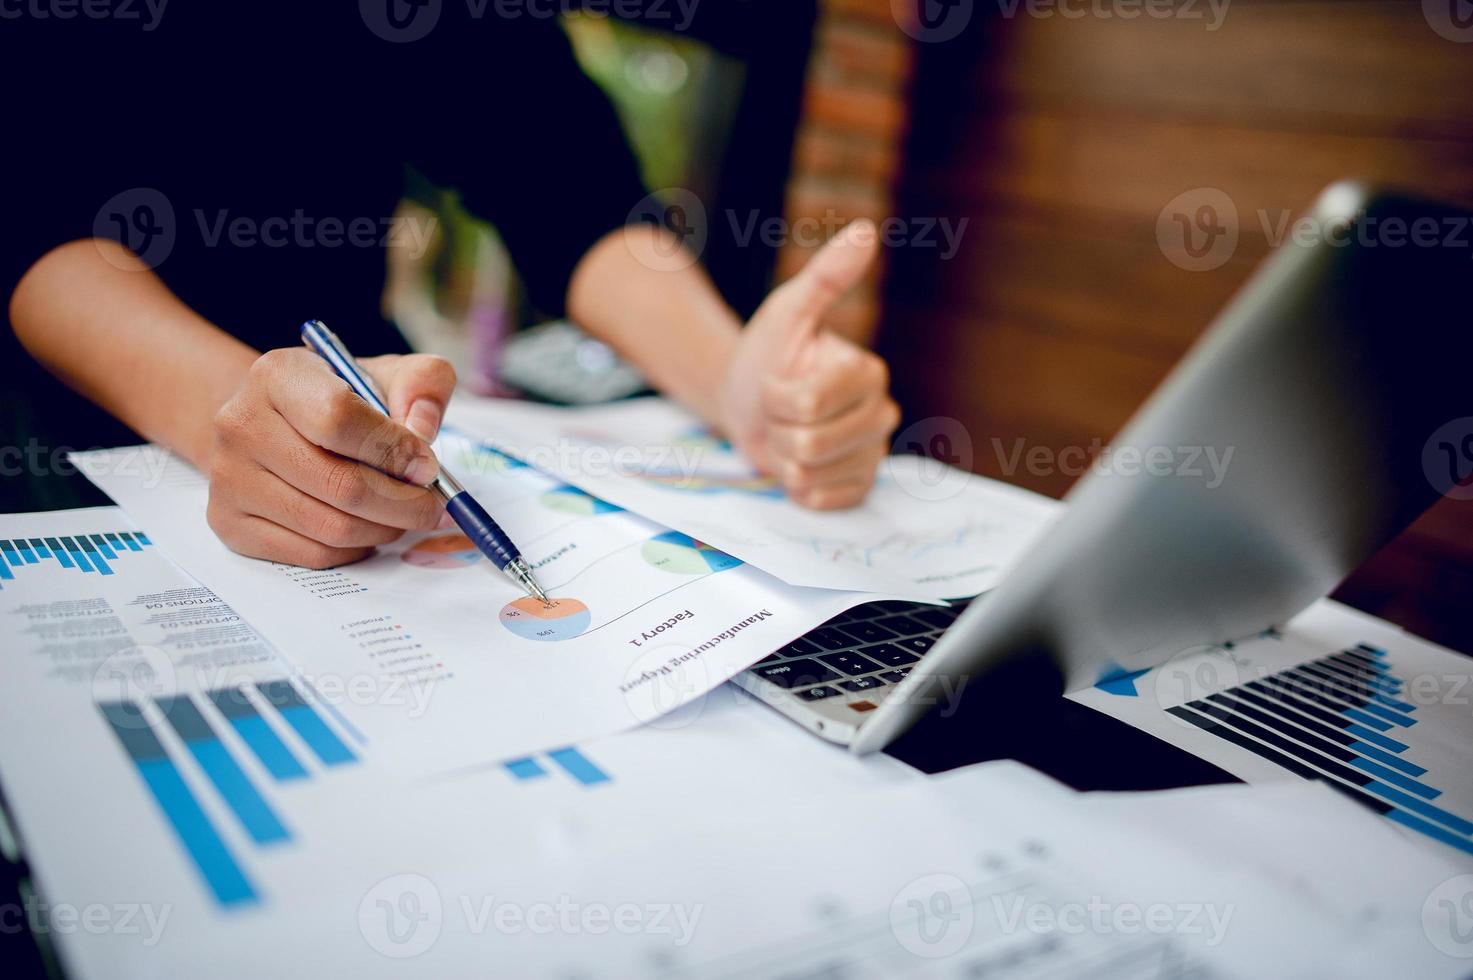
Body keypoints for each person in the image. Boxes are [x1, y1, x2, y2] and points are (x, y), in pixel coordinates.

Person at [3, 6, 898, 570]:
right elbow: (31, 217)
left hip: (363, 402)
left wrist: (735, 380)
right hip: (80, 434)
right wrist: (228, 405)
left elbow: (565, 183)